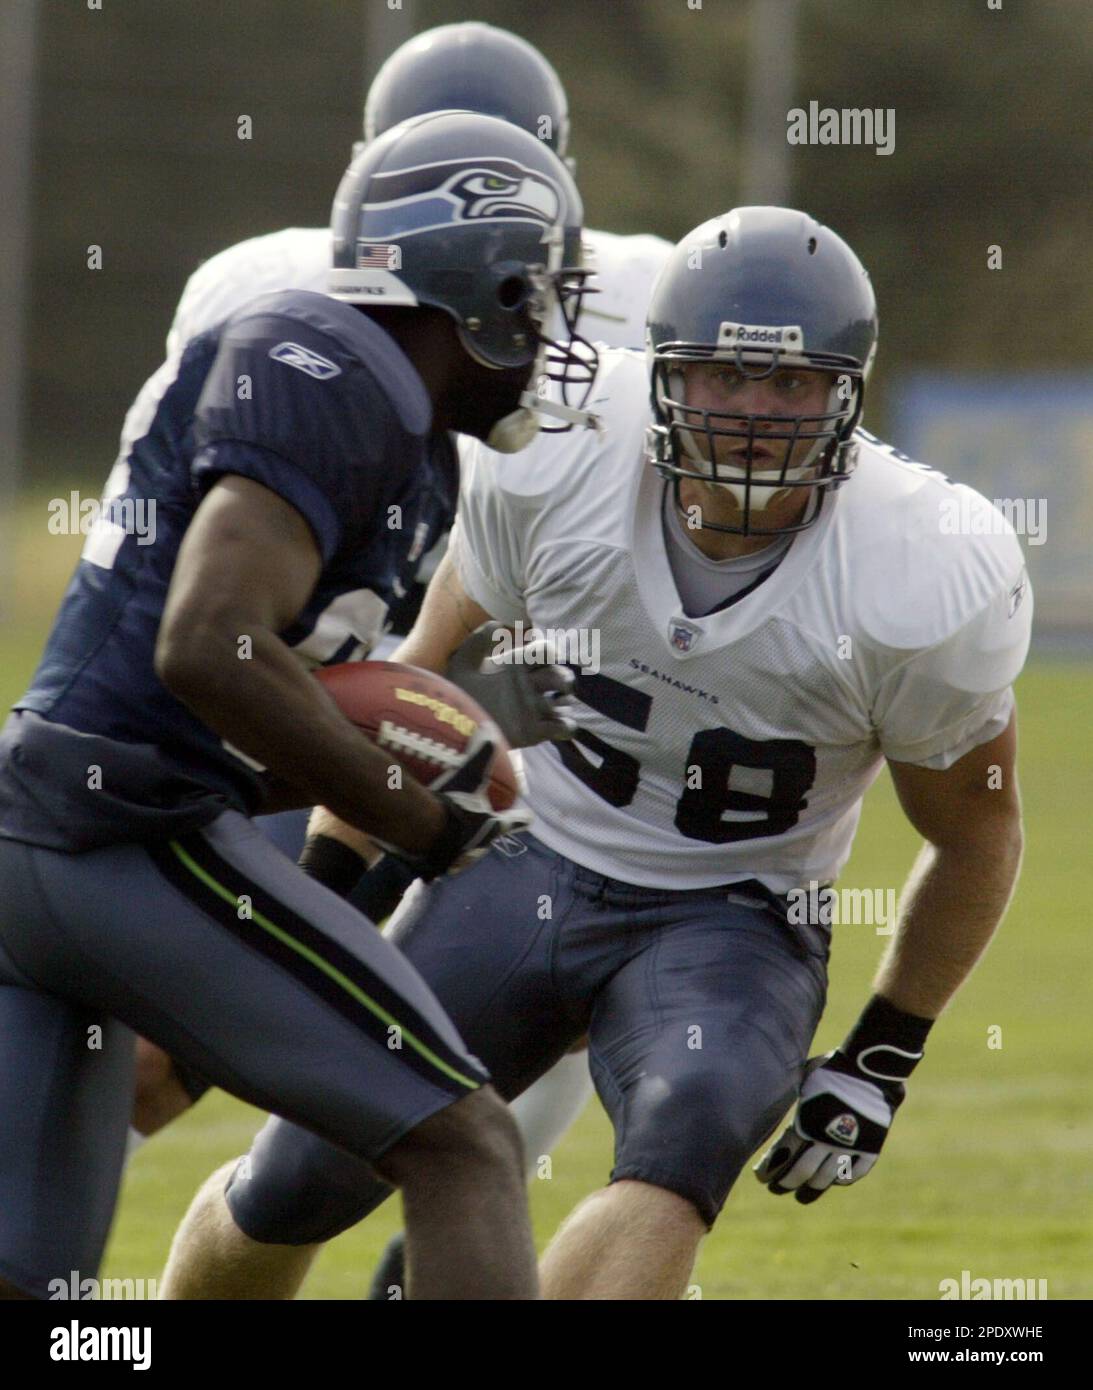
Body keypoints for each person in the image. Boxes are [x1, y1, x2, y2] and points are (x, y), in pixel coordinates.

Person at [158, 206, 1032, 1301]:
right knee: (296, 1179)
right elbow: (411, 695)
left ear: (847, 393)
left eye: (790, 385)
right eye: (722, 376)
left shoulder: (920, 568)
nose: (754, 415)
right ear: (664, 373)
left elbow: (975, 831)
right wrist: (320, 900)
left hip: (734, 911)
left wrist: (881, 1055)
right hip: (524, 854)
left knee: (690, 1133)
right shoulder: (556, 456)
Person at [0, 110, 597, 1301]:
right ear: (481, 281)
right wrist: (427, 824)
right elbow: (209, 647)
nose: (551, 333)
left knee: (42, 1296)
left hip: (54, 833)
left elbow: (242, 698)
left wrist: (459, 717)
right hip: (117, 837)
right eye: (539, 297)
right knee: (463, 1142)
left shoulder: (399, 430)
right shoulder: (333, 369)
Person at [128, 17, 672, 1190]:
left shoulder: (263, 278)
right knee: (439, 1081)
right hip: (331, 688)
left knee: (459, 1076)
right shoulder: (638, 280)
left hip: (405, 681)